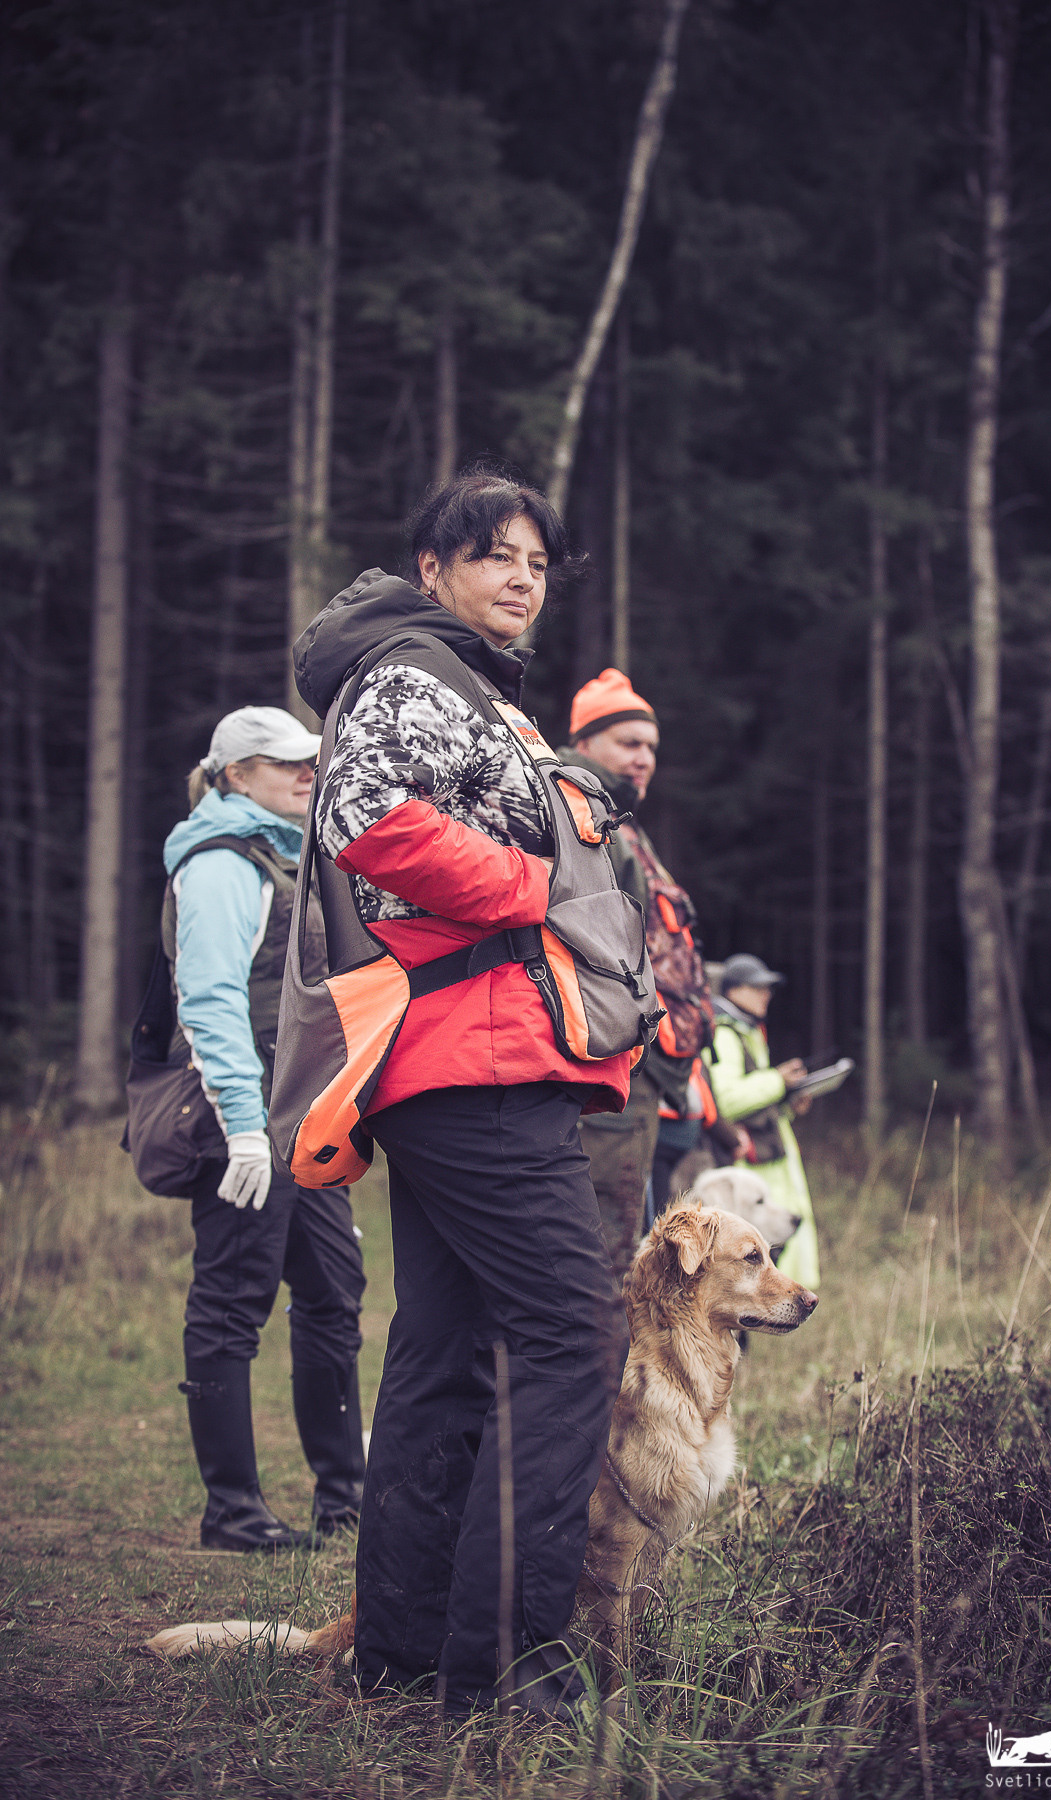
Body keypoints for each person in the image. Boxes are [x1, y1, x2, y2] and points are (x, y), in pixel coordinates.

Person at [294, 471, 638, 1718]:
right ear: (431, 569)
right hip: (477, 1056)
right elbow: (367, 818)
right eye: (494, 555)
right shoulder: (409, 673)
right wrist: (529, 887)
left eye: (538, 564)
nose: (521, 578)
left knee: (445, 1351)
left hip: (466, 1059)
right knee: (570, 1337)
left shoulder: (463, 684)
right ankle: (505, 1667)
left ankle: (399, 1648)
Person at [163, 706, 367, 1551]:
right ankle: (234, 1513)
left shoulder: (291, 856)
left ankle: (345, 1499)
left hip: (301, 1123)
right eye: (282, 762)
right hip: (238, 1122)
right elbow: (208, 1002)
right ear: (235, 774)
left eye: (308, 760)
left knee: (333, 1293)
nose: (304, 772)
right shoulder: (219, 862)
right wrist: (245, 1130)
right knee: (231, 1305)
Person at [560, 668, 714, 1268]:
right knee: (606, 1257)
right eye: (628, 743)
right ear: (586, 743)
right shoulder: (586, 815)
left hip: (638, 1074)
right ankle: (595, 1365)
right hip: (611, 1073)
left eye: (651, 746)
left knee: (621, 1245)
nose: (644, 758)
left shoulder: (621, 820)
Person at [706, 953, 821, 1290]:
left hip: (766, 1166)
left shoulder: (747, 1031)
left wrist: (786, 1104)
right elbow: (725, 1099)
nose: (765, 994)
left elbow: (754, 1104)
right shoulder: (726, 1034)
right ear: (732, 990)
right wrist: (777, 1082)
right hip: (751, 1171)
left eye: (768, 988)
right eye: (757, 987)